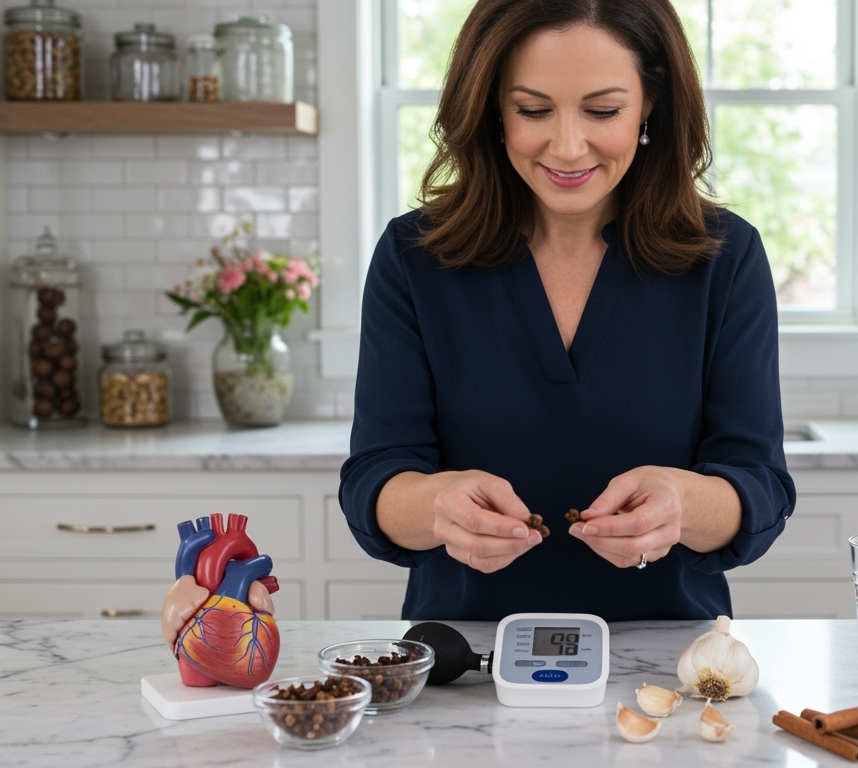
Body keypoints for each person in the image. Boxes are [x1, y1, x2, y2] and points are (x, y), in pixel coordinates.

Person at [339, 0, 795, 622]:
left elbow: (760, 485)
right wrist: (433, 506)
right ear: (492, 107)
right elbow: (375, 476)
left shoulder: (725, 256)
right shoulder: (414, 256)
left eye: (603, 110)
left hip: (671, 670)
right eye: (532, 110)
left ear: (651, 103)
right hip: (463, 663)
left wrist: (683, 503)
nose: (569, 146)